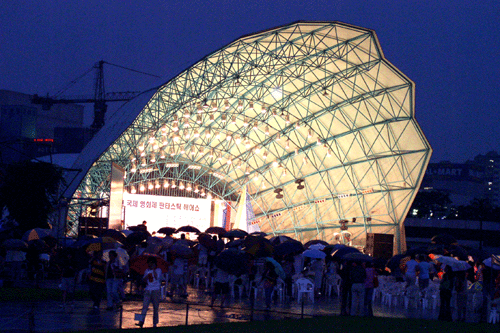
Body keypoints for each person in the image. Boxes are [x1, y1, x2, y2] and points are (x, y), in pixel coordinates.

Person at [136, 257, 162, 328]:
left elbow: (157, 278)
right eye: (149, 263)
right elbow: (143, 279)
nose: (150, 264)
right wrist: (146, 276)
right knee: (144, 306)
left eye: (151, 263)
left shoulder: (158, 270)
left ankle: (155, 323)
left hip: (155, 290)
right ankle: (140, 321)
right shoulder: (147, 270)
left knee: (155, 307)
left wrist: (153, 270)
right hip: (148, 289)